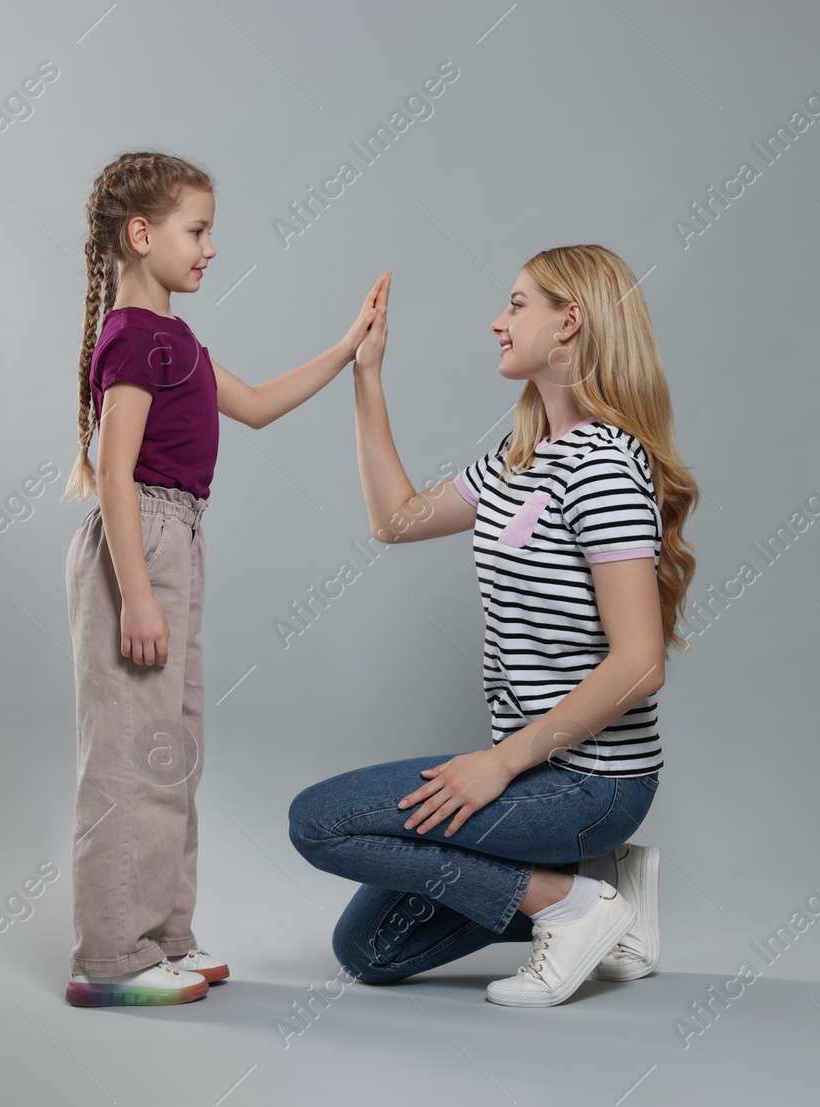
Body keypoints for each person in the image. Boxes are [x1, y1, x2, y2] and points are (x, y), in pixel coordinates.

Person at [288, 245, 699, 1006]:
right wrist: (367, 373)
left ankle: (574, 904)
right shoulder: (520, 460)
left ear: (569, 321)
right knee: (370, 949)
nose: (496, 323)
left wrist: (502, 763)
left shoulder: (603, 466)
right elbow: (396, 518)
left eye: (516, 305)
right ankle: (605, 891)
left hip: (592, 782)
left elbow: (641, 663)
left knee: (321, 821)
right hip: (540, 769)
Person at [60, 149, 386, 1007]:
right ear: (141, 235)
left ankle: (164, 934)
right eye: (196, 230)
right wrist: (135, 589)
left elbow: (262, 403)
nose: (210, 248)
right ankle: (111, 959)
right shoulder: (134, 339)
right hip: (144, 541)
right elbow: (116, 468)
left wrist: (350, 348)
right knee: (131, 759)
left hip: (177, 540)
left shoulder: (177, 341)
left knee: (172, 753)